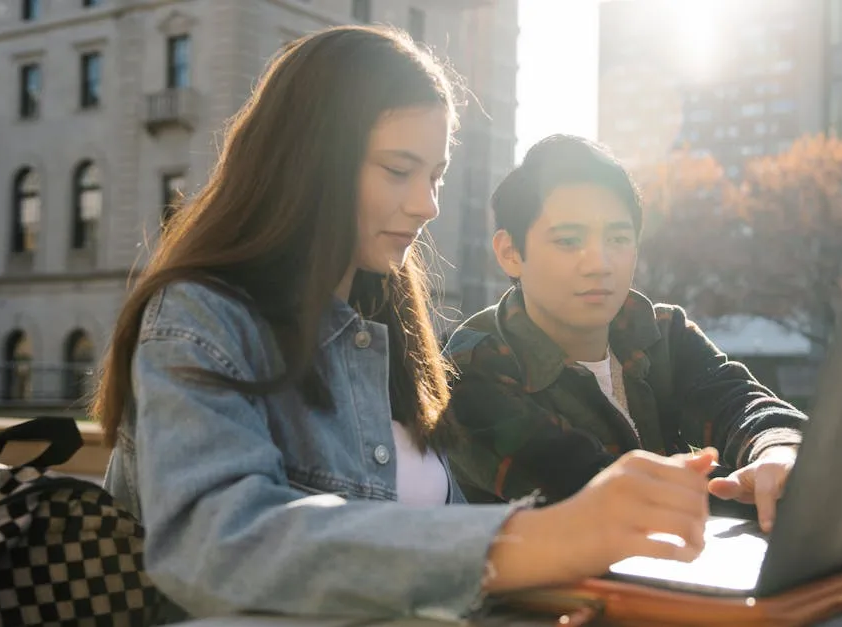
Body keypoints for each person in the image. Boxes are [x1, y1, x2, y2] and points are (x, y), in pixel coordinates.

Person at [93, 27, 718, 625]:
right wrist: (540, 538)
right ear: (309, 160)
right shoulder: (200, 317)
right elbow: (218, 546)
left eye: (436, 174)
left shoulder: (392, 332)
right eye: (399, 170)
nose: (428, 204)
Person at [443, 135, 809, 533]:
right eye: (569, 241)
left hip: (672, 575)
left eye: (617, 239)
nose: (599, 263)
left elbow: (738, 400)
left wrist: (779, 449)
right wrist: (742, 486)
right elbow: (594, 490)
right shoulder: (471, 366)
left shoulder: (659, 332)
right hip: (547, 592)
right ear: (510, 253)